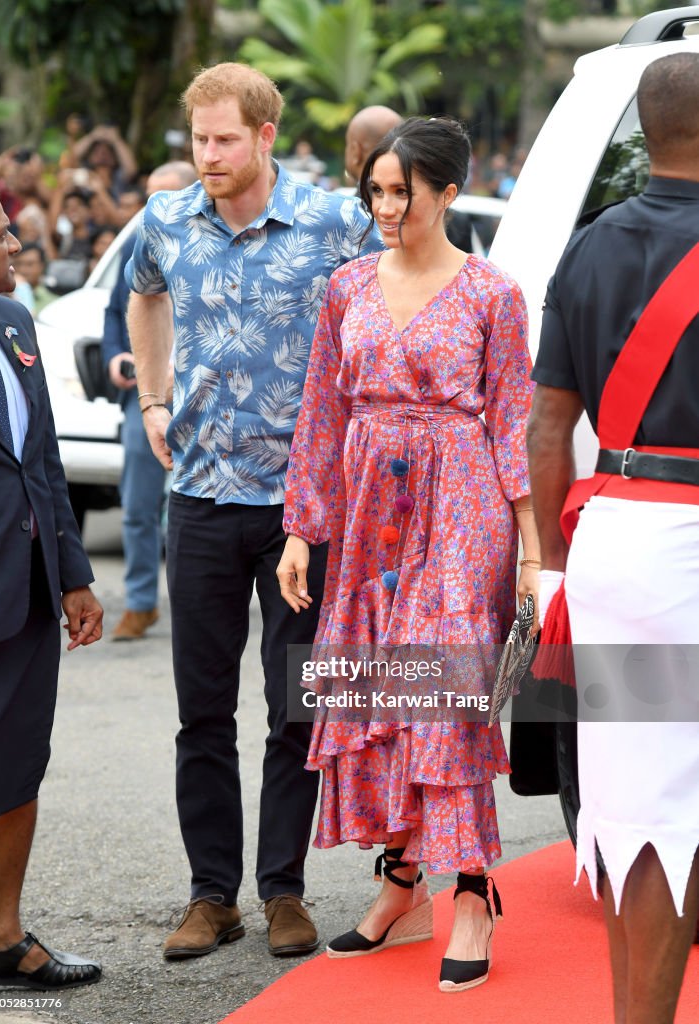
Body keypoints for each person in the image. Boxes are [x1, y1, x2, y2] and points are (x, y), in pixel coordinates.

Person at [125, 62, 382, 961]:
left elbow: (382, 315)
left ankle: (283, 890)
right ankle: (210, 896)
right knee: (202, 711)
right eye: (199, 140)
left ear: (267, 136)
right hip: (196, 499)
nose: (209, 156)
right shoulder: (164, 219)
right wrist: (153, 400)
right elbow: (143, 293)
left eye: (225, 139)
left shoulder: (333, 222)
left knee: (296, 706)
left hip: (300, 513)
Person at [278, 116, 537, 990]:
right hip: (367, 510)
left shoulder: (493, 293)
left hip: (461, 508)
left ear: (449, 194)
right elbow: (321, 410)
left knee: (443, 692)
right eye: (377, 192)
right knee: (378, 688)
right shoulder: (347, 286)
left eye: (405, 193)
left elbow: (512, 426)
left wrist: (532, 551)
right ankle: (400, 883)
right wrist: (300, 531)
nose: (387, 207)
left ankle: (471, 892)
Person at [527, 52, 699, 1024]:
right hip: (683, 550)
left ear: (639, 135)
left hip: (607, 546)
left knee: (627, 806)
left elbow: (546, 427)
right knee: (671, 820)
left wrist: (554, 567)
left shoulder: (589, 243)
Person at [0, 182, 103, 990]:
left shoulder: (15, 322)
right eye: (2, 235)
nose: (18, 245)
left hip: (23, 588)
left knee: (17, 762)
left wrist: (76, 577)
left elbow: (43, 460)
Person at [103, 161, 197, 642]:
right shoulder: (138, 255)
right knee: (137, 507)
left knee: (205, 512)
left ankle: (202, 606)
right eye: (147, 198)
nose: (151, 210)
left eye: (163, 198)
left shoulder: (213, 251)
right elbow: (115, 320)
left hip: (204, 406)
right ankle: (141, 603)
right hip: (147, 400)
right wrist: (119, 359)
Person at [345, 106, 473, 252]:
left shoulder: (480, 274)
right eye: (377, 190)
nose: (384, 210)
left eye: (402, 192)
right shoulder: (351, 273)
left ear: (448, 195)